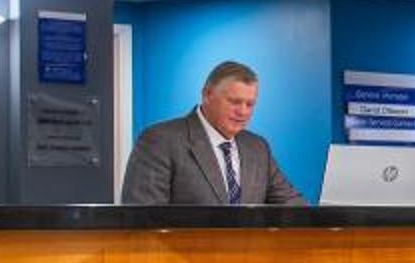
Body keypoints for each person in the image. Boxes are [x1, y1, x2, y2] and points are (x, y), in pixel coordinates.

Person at [121, 59, 305, 206]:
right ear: (207, 94)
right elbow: (143, 219)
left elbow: (293, 204)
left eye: (250, 104)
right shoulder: (160, 140)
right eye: (234, 102)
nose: (243, 112)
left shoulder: (258, 147)